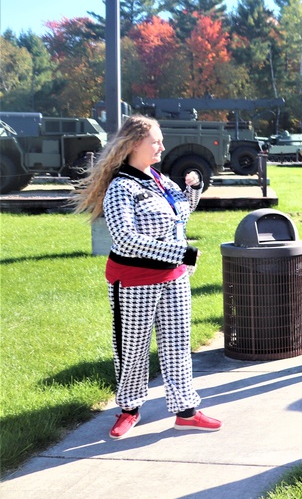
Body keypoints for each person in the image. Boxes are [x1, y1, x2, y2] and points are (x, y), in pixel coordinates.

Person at [74, 114, 221, 440]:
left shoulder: (160, 180)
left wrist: (192, 188)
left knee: (177, 346)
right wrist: (180, 254)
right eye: (155, 140)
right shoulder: (120, 187)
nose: (162, 146)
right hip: (134, 282)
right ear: (133, 144)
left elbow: (180, 211)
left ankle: (186, 411)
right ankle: (129, 409)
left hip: (174, 280)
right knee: (132, 348)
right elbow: (125, 239)